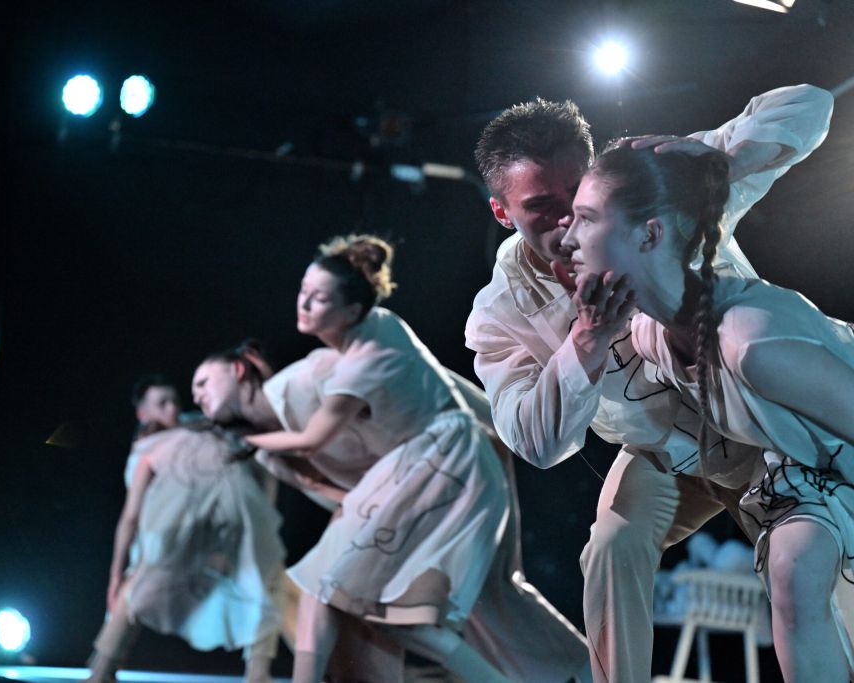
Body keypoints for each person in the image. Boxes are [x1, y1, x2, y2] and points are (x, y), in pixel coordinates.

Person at [464, 84, 833, 682]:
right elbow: (536, 443)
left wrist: (709, 162)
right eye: (541, 207)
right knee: (611, 548)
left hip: (764, 434)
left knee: (826, 590)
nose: (567, 220)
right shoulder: (500, 312)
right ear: (502, 212)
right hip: (668, 455)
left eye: (576, 194)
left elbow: (810, 104)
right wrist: (586, 341)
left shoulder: (651, 192)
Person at [559, 140, 854, 681]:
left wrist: (720, 154)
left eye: (587, 218)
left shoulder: (752, 343)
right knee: (794, 563)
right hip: (813, 477)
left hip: (841, 467)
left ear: (649, 234)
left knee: (801, 569)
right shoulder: (652, 334)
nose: (568, 238)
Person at [248, 234, 589, 683]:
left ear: (351, 310)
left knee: (382, 599)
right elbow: (444, 385)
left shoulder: (366, 354)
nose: (304, 304)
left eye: (319, 297)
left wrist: (250, 439)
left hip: (450, 465)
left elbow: (312, 439)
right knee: (396, 602)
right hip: (444, 461)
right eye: (303, 291)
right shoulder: (362, 339)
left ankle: (584, 673)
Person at [85, 364, 285, 683]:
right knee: (138, 586)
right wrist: (116, 574)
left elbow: (261, 463)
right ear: (143, 413)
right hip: (179, 530)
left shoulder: (205, 429)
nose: (173, 408)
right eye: (162, 403)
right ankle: (102, 671)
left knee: (260, 582)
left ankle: (258, 674)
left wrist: (265, 514)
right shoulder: (148, 451)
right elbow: (133, 517)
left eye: (174, 401)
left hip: (231, 518)